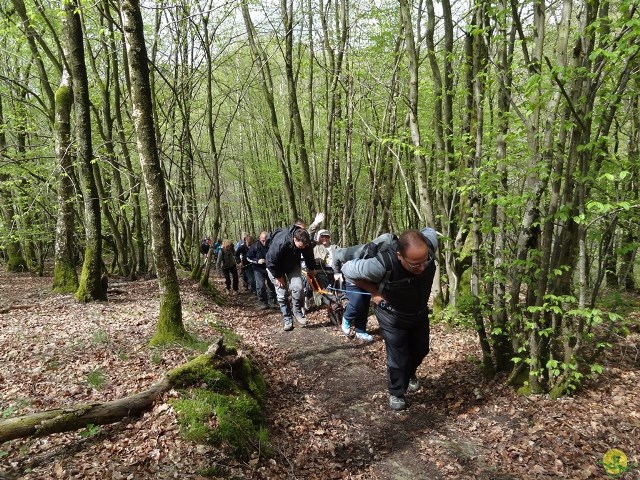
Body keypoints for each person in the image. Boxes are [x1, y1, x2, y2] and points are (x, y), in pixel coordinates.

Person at [341, 228, 438, 411]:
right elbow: (348, 270)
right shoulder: (380, 265)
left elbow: (430, 231)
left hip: (418, 312)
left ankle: (409, 374)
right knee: (398, 357)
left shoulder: (430, 244)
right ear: (400, 256)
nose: (422, 267)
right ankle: (396, 393)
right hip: (391, 315)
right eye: (415, 264)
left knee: (421, 349)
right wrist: (374, 292)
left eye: (425, 260)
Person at [266, 224, 316, 331]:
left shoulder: (305, 240)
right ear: (295, 239)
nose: (302, 248)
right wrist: (278, 276)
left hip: (292, 265)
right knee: (282, 292)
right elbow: (270, 261)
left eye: (304, 246)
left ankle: (297, 311)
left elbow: (309, 255)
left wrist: (311, 268)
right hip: (275, 267)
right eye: (300, 246)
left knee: (298, 287)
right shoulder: (281, 241)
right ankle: (287, 319)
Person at [247, 231, 277, 309]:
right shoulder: (255, 246)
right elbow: (248, 257)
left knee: (272, 285)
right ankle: (263, 302)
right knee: (260, 286)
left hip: (269, 268)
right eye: (262, 240)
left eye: (265, 240)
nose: (264, 242)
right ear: (259, 239)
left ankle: (273, 301)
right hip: (258, 269)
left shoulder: (271, 245)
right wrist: (257, 261)